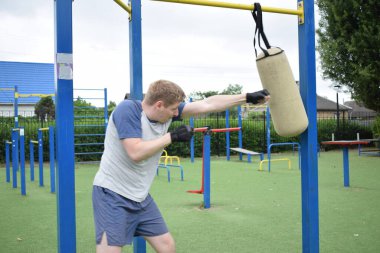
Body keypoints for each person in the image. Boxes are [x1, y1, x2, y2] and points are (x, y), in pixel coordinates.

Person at [92, 79, 270, 253]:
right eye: (173, 109)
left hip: (140, 196)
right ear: (159, 105)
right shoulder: (128, 110)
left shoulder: (167, 112)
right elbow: (135, 152)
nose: (177, 113)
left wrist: (246, 97)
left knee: (167, 246)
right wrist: (172, 136)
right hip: (112, 194)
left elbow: (208, 103)